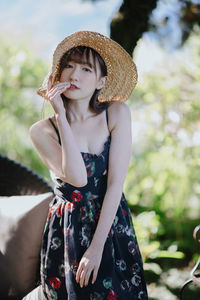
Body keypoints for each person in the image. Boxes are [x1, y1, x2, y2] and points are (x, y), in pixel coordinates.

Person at [30, 31, 148, 300]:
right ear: (56, 76)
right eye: (68, 67)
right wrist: (60, 115)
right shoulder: (42, 130)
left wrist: (97, 248)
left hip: (110, 223)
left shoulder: (116, 113)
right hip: (67, 228)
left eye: (85, 69)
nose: (74, 76)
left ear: (101, 82)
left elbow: (116, 183)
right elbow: (77, 178)